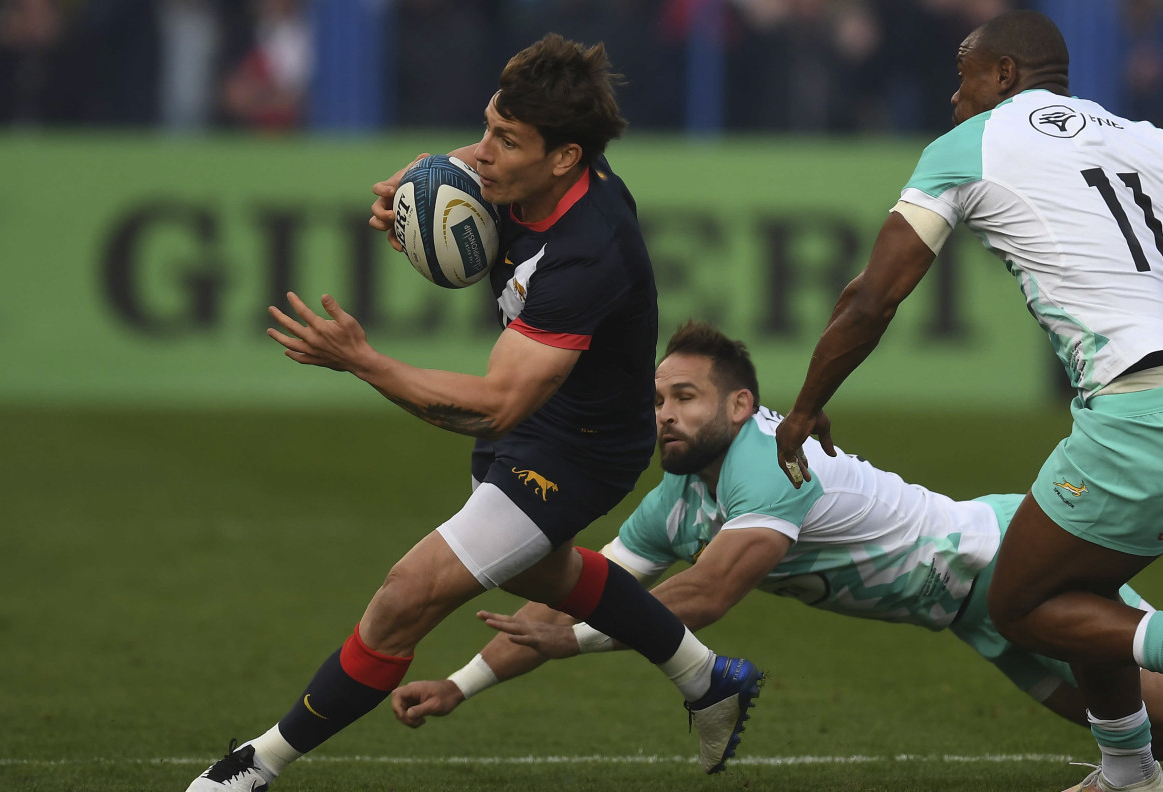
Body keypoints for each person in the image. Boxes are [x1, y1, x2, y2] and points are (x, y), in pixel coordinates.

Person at [184, 34, 761, 791]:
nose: (483, 153)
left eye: (505, 140)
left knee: (407, 594)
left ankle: (255, 765)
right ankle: (706, 677)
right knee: (546, 573)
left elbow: (495, 405)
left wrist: (365, 362)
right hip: (543, 421)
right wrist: (428, 179)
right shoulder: (531, 170)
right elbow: (480, 159)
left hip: (582, 448)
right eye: (487, 126)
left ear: (564, 159)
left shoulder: (588, 253)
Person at [389, 321, 1163, 756]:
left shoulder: (768, 462)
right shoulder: (675, 503)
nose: (663, 414)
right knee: (1124, 728)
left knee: (1143, 704)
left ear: (740, 406)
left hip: (997, 554)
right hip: (960, 611)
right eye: (655, 399)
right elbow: (578, 599)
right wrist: (461, 684)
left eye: (684, 397)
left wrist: (582, 640)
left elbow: (707, 594)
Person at [771, 10, 1163, 792]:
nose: (954, 97)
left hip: (1140, 408)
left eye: (964, 76)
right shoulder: (1142, 137)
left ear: (1005, 75)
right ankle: (1128, 770)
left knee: (1021, 602)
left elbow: (871, 299)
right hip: (1139, 401)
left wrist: (806, 405)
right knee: (1075, 588)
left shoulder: (969, 146)